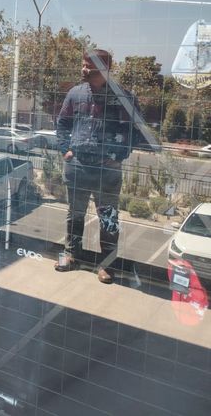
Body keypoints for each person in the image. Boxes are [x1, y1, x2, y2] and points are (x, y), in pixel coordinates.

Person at [54, 49, 140, 283]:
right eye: (83, 65)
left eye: (89, 67)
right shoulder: (75, 93)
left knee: (109, 219)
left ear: (105, 69)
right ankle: (71, 255)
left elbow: (135, 132)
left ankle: (107, 265)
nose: (84, 70)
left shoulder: (123, 97)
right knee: (75, 215)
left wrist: (118, 155)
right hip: (78, 167)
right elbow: (62, 124)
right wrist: (65, 150)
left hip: (107, 171)